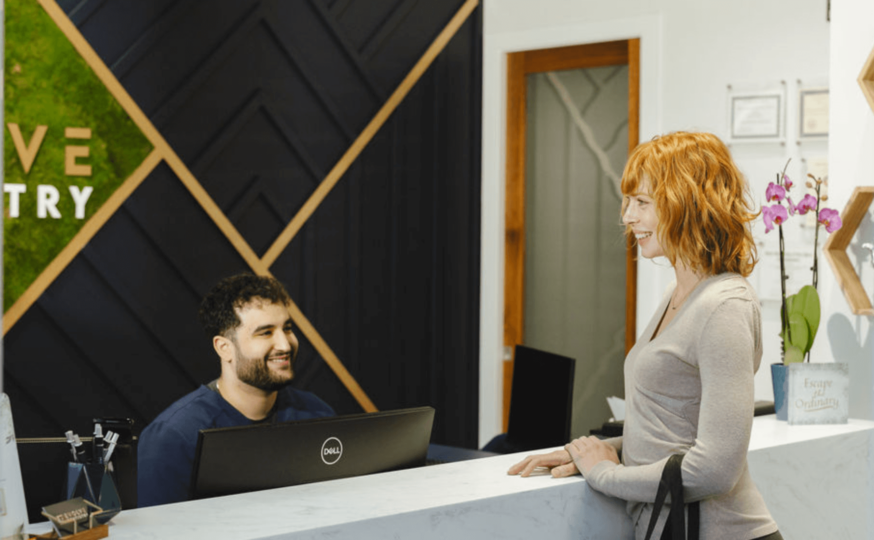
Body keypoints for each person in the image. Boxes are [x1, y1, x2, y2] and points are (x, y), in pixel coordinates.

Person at [508, 132, 782, 540]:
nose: (627, 216)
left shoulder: (723, 307)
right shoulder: (681, 294)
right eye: (628, 202)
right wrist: (587, 452)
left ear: (685, 205)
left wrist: (606, 473)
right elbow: (669, 430)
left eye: (642, 203)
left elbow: (714, 470)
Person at [137, 273, 335, 507]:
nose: (284, 345)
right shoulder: (175, 436)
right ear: (224, 348)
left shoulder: (315, 413)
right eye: (265, 332)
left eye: (288, 328)